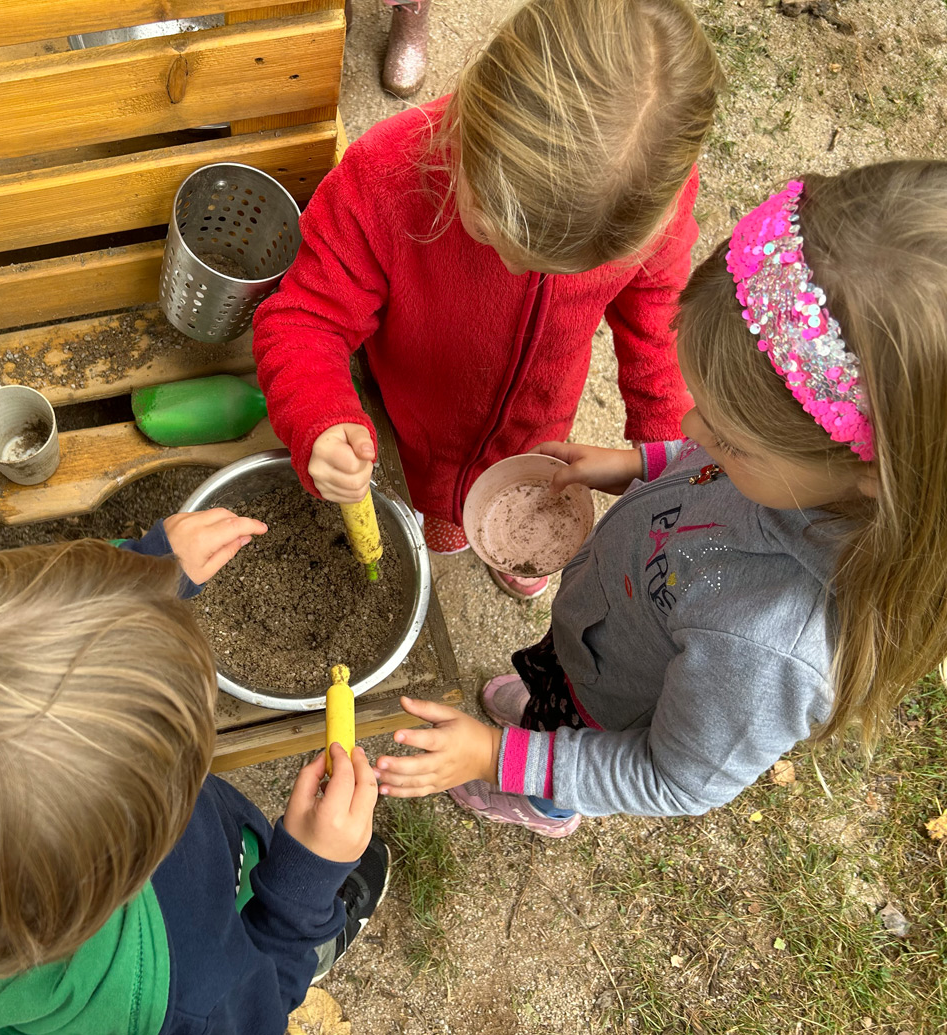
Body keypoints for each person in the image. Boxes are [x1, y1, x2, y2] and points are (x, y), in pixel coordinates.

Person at [368, 160, 947, 837]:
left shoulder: (768, 648)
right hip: (601, 630)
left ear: (873, 471)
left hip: (616, 702)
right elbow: (706, 463)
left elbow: (667, 775)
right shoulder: (806, 468)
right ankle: (544, 707)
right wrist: (635, 464)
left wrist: (498, 756)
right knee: (556, 687)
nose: (694, 431)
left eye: (728, 440)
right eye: (703, 409)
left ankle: (543, 802)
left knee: (564, 744)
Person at [253, 0, 724, 600]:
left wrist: (665, 455)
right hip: (416, 419)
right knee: (440, 503)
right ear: (473, 124)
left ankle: (504, 537)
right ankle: (448, 521)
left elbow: (658, 321)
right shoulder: (386, 176)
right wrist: (319, 416)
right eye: (492, 234)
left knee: (520, 499)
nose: (509, 265)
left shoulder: (648, 203)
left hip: (539, 422)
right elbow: (303, 318)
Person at [0, 509, 388, 1033]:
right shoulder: (181, 992)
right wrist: (301, 888)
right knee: (266, 954)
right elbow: (254, 1014)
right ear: (127, 867)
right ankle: (310, 939)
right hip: (231, 951)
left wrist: (141, 573)